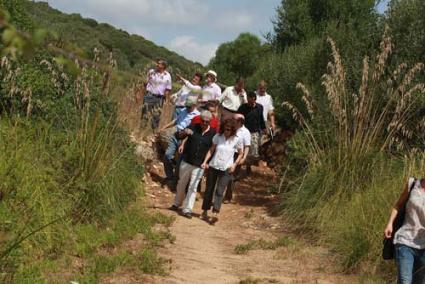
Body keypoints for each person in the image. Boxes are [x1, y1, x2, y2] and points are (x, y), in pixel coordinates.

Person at [169, 111, 216, 219]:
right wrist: (185, 132)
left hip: (199, 164)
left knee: (193, 187)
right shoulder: (194, 127)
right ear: (200, 120)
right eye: (202, 121)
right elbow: (178, 136)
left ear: (210, 122)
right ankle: (176, 203)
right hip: (187, 160)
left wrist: (207, 162)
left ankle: (187, 209)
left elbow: (212, 149)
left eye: (206, 122)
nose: (204, 123)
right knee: (181, 183)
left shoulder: (213, 133)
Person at [201, 119, 243, 223]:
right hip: (214, 165)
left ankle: (215, 212)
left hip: (227, 168)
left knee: (220, 190)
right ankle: (205, 210)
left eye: (229, 129)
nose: (226, 131)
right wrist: (205, 161)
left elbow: (240, 153)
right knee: (209, 189)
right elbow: (211, 150)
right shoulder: (218, 137)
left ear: (233, 130)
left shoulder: (236, 140)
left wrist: (235, 164)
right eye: (225, 129)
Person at [384, 178, 425, 284]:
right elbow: (398, 205)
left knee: (419, 281)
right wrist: (390, 224)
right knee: (405, 280)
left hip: (423, 246)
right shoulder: (412, 184)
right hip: (405, 240)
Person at [159, 96, 200, 184]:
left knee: (180, 162)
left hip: (186, 138)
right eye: (187, 106)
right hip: (176, 134)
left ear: (194, 105)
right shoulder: (183, 110)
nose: (187, 108)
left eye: (189, 106)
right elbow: (176, 121)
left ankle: (176, 182)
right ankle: (170, 176)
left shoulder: (197, 116)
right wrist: (164, 127)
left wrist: (184, 143)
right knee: (167, 155)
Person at [224, 113, 251, 203]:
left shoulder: (246, 132)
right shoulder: (231, 128)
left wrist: (244, 158)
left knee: (232, 176)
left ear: (239, 121)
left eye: (234, 119)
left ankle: (228, 197)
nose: (232, 120)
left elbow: (247, 146)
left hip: (238, 155)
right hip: (228, 153)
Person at [237, 91, 266, 173]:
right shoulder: (243, 107)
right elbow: (238, 118)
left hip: (254, 132)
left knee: (252, 151)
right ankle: (238, 167)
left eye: (251, 100)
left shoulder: (260, 107)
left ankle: (248, 166)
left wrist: (264, 128)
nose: (249, 102)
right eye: (248, 100)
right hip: (243, 131)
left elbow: (261, 119)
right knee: (241, 149)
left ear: (254, 99)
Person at [142, 59, 172, 129]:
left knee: (156, 116)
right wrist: (146, 80)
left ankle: (153, 133)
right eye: (157, 63)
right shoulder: (151, 72)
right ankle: (141, 132)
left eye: (159, 63)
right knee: (145, 114)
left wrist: (165, 99)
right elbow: (145, 83)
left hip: (160, 98)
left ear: (163, 66)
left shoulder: (167, 75)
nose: (157, 65)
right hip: (149, 95)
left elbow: (168, 89)